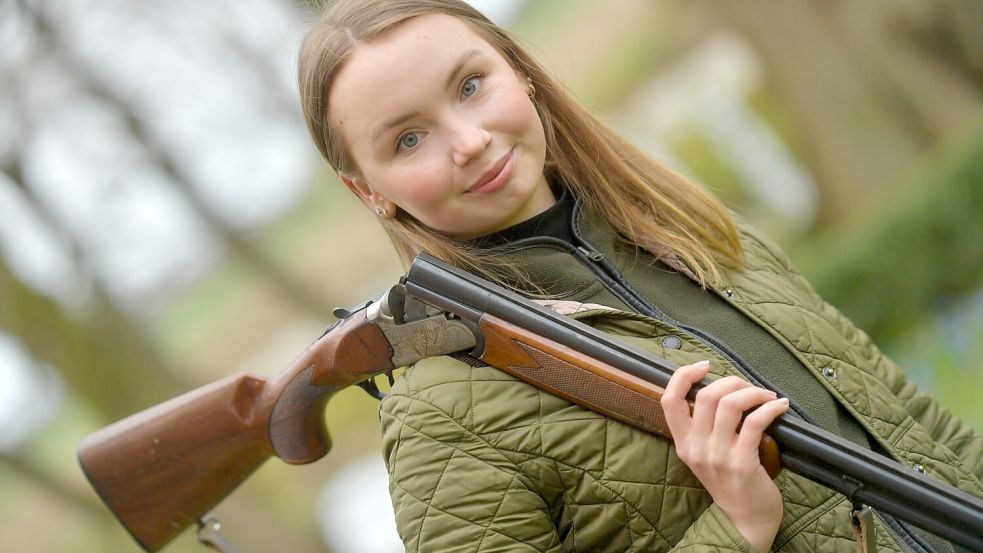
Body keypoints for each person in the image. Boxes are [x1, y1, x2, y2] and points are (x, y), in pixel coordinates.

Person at [297, 1, 983, 551]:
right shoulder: (439, 421)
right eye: (408, 139)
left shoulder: (688, 228)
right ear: (369, 191)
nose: (469, 141)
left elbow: (912, 423)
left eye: (471, 86)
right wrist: (736, 525)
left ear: (520, 71)